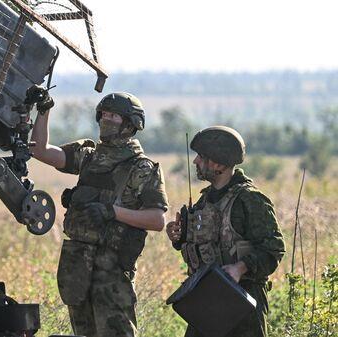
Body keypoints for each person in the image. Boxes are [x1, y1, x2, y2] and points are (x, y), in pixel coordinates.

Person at [29, 86, 168, 337]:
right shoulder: (89, 157)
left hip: (113, 271)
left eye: (113, 116)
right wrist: (44, 110)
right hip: (78, 267)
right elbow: (40, 150)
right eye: (103, 114)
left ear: (130, 124)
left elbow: (157, 219)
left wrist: (112, 212)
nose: (106, 119)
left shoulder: (142, 168)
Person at [165, 126, 285, 337]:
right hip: (205, 300)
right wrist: (180, 237)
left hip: (242, 304)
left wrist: (239, 269)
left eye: (201, 157)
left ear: (218, 164)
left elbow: (274, 248)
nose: (195, 162)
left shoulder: (250, 200)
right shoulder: (206, 199)